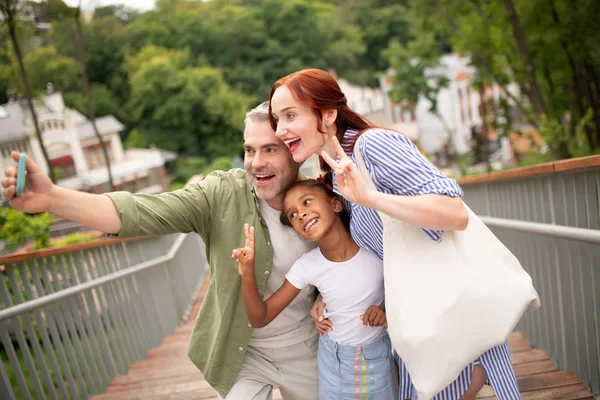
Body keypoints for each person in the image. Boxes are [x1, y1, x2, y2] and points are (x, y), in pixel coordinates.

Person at [1, 102, 322, 400]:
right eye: (249, 150)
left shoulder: (322, 200)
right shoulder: (223, 193)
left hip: (305, 345)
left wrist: (325, 299)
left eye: (269, 149)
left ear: (293, 151)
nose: (256, 162)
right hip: (242, 352)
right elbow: (142, 212)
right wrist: (54, 199)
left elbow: (348, 257)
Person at [268, 69, 520, 400]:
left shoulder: (372, 145)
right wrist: (325, 297)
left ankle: (474, 371)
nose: (280, 129)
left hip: (444, 314)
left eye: (289, 115)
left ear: (327, 113)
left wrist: (370, 198)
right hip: (413, 318)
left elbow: (453, 214)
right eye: (276, 119)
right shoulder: (336, 173)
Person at [233, 179, 398, 400]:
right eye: (292, 215)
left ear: (336, 205)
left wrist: (386, 313)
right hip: (333, 364)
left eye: (307, 202)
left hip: (379, 359)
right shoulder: (307, 266)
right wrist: (247, 275)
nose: (300, 214)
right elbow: (260, 317)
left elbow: (406, 290)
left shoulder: (375, 248)